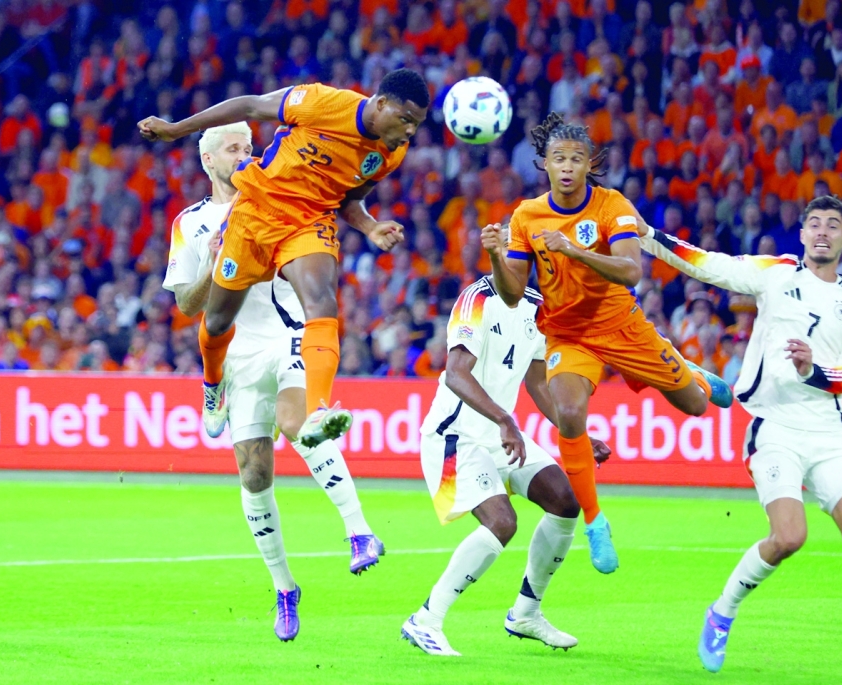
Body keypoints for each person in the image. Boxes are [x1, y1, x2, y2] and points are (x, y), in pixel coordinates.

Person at [637, 195, 842, 683]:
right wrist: (649, 236)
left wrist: (812, 370)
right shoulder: (775, 273)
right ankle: (722, 612)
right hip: (774, 426)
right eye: (814, 223)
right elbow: (708, 264)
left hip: (829, 430)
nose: (822, 231)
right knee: (789, 537)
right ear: (802, 233)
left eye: (832, 225)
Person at [482, 112, 732, 575]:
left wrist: (574, 250)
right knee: (569, 413)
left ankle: (691, 372)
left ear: (589, 163)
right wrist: (497, 256)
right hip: (568, 334)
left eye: (576, 158)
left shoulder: (611, 205)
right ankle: (596, 522)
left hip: (623, 327)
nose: (567, 167)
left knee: (697, 406)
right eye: (559, 158)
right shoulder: (526, 216)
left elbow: (632, 271)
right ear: (545, 164)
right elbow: (512, 295)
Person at [161, 124, 383, 643]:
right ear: (209, 161)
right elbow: (187, 305)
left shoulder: (277, 197)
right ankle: (285, 588)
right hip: (239, 357)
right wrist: (214, 263)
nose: (246, 154)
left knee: (298, 421)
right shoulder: (189, 223)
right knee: (255, 474)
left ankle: (359, 531)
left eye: (249, 147)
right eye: (234, 149)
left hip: (289, 336)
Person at [139, 69, 431, 447]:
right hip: (256, 213)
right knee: (217, 321)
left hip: (309, 223)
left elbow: (349, 199)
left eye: (416, 124)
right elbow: (251, 106)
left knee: (322, 302)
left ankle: (318, 411)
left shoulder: (390, 153)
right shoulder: (323, 102)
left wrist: (370, 227)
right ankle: (213, 384)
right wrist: (176, 129)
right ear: (381, 104)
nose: (409, 131)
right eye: (405, 119)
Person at [402, 275, 610, 656]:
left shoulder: (540, 308)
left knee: (566, 501)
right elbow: (456, 374)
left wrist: (576, 434)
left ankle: (526, 613)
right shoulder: (476, 300)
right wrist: (504, 420)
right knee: (502, 522)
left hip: (499, 434)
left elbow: (538, 383)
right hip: (454, 437)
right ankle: (426, 620)